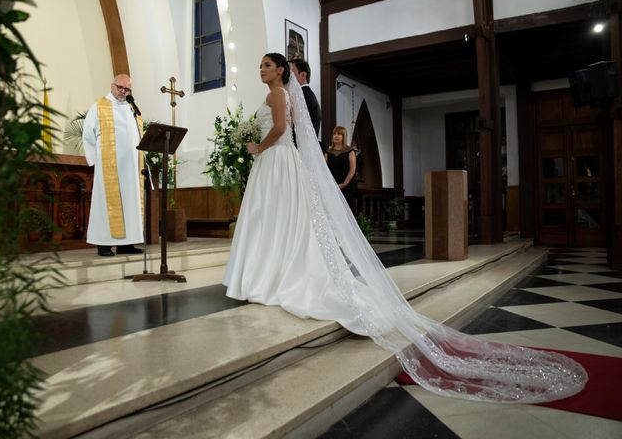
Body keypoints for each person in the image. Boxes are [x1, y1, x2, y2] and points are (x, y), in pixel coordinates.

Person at [223, 53, 587, 404]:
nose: (261, 70)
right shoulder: (287, 94)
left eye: (267, 65)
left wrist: (256, 147)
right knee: (277, 219)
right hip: (283, 162)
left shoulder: (277, 93)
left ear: (282, 70)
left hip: (274, 159)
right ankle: (270, 271)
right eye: (260, 66)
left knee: (269, 218)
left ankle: (264, 274)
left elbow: (281, 129)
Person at [83, 74, 144, 257]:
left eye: (127, 89)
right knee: (105, 205)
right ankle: (104, 244)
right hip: (109, 167)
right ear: (112, 86)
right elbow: (88, 134)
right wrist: (95, 161)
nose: (123, 92)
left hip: (131, 168)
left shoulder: (132, 109)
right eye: (120, 88)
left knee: (130, 203)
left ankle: (127, 244)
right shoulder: (99, 106)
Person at [325, 126, 357, 212]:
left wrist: (344, 184)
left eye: (339, 134)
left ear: (344, 137)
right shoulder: (328, 152)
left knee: (346, 211)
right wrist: (330, 184)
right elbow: (324, 169)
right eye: (334, 134)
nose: (336, 136)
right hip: (331, 185)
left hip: (346, 186)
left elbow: (352, 169)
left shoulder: (350, 151)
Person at [289, 59, 322, 137]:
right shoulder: (305, 93)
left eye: (292, 72)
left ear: (303, 75)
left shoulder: (304, 95)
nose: (288, 76)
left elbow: (300, 125)